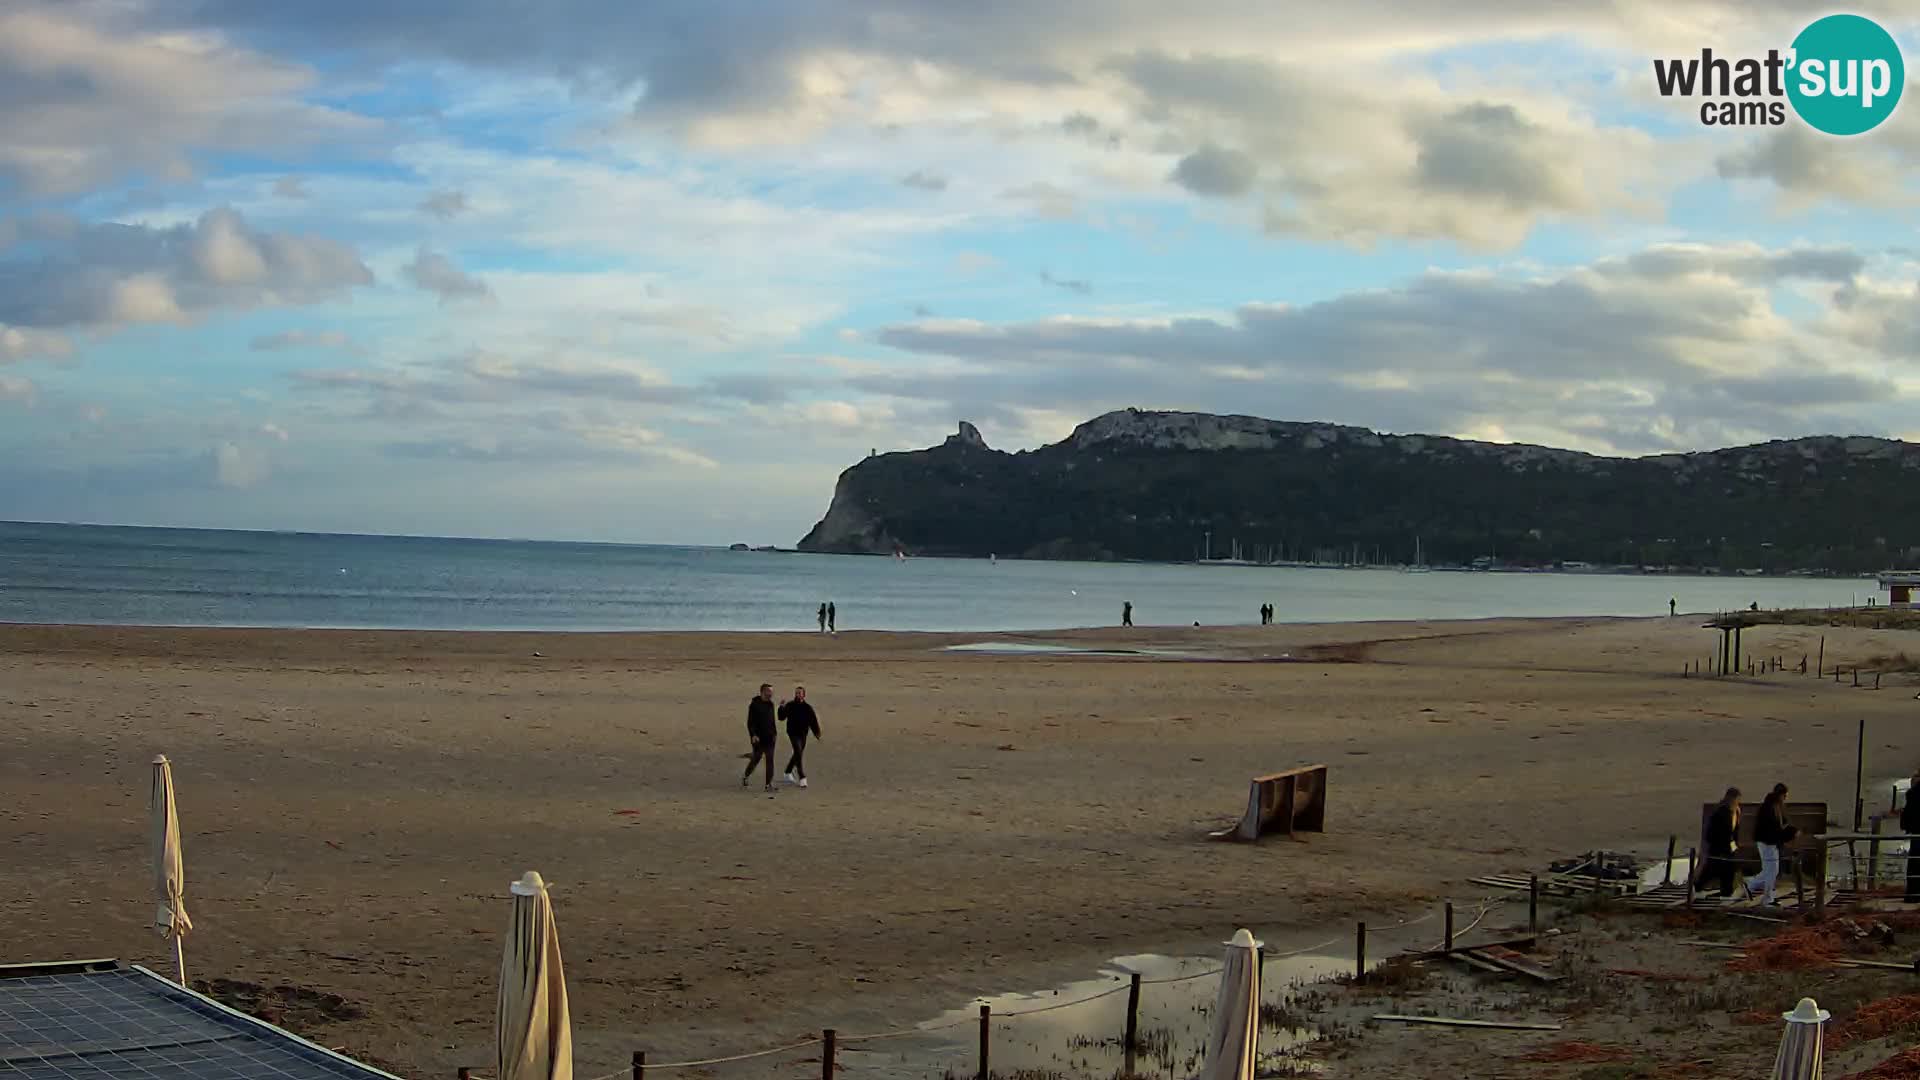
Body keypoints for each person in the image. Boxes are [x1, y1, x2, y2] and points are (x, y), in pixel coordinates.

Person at [1745, 783, 1796, 906]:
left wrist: (1788, 830)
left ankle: (1751, 884)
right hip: (1767, 842)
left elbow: (1780, 825)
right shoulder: (1771, 808)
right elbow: (1774, 829)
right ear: (1781, 795)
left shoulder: (1772, 806)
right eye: (1785, 796)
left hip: (1767, 842)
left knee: (1770, 870)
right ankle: (1767, 899)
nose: (1786, 798)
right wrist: (1790, 833)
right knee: (1772, 871)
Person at [1696, 786, 1742, 898]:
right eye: (1736, 799)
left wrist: (1735, 844)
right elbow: (1714, 831)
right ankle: (1697, 887)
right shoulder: (1721, 811)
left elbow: (1734, 831)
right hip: (1718, 846)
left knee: (1728, 870)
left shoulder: (1735, 811)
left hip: (1728, 846)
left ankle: (1726, 892)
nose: (1738, 801)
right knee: (1712, 869)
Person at [779, 686, 822, 788]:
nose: (797, 695)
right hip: (792, 733)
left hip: (803, 734)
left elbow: (813, 721)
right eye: (796, 693)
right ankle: (802, 777)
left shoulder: (807, 708)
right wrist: (781, 707)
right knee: (798, 751)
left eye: (799, 693)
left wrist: (817, 733)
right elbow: (781, 717)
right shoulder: (790, 705)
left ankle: (787, 772)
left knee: (798, 753)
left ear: (804, 695)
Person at [742, 683, 778, 791]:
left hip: (770, 738)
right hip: (758, 738)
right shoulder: (754, 705)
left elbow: (772, 721)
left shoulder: (771, 704)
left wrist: (775, 733)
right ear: (763, 692)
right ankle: (746, 776)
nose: (771, 694)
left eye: (772, 692)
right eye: (769, 692)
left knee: (770, 760)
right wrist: (753, 735)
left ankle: (768, 785)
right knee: (756, 759)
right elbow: (750, 722)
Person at [1903, 769, 1920, 902]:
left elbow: (1907, 813)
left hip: (1916, 831)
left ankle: (1912, 894)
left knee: (1914, 862)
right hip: (1916, 831)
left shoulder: (1913, 792)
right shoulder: (1913, 793)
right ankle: (1913, 894)